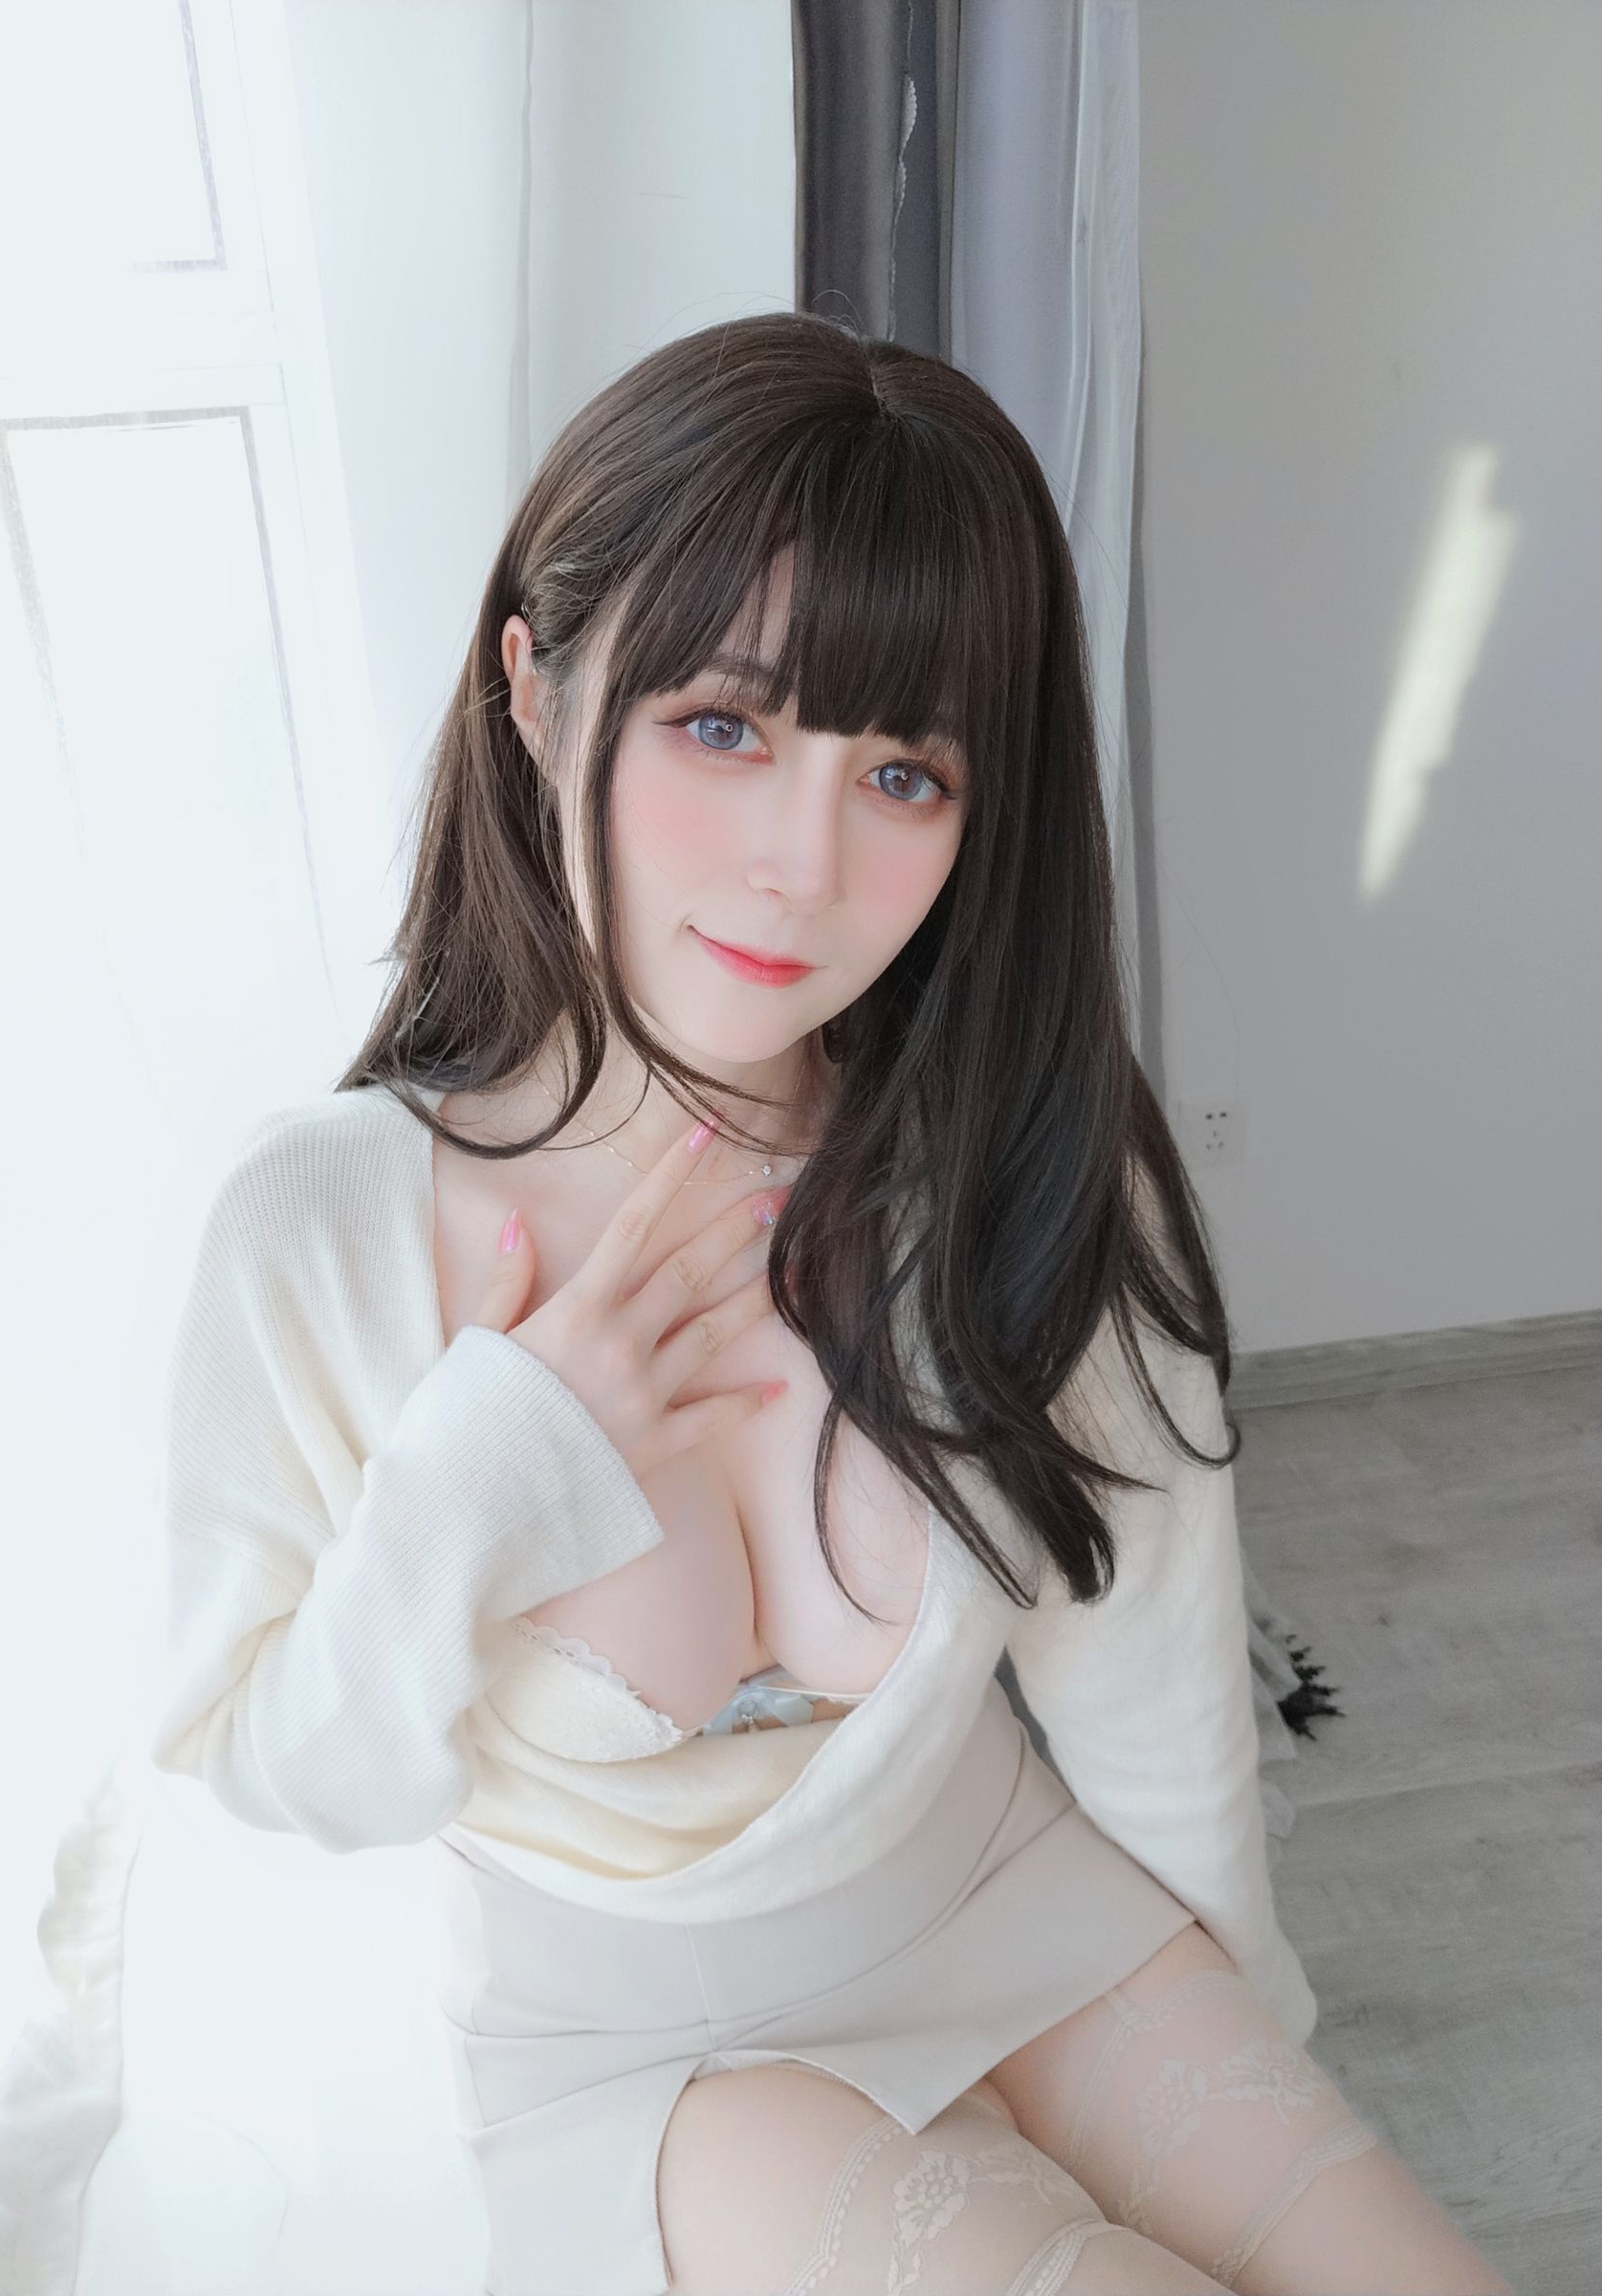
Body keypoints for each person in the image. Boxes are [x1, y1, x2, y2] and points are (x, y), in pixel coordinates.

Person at [150, 311, 1512, 2294]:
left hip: (1021, 1911)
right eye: (723, 727)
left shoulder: (1007, 1168)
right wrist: (487, 1471)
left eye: (902, 770)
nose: (804, 866)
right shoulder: (324, 1229)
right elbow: (279, 1768)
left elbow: (1145, 1683)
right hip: (650, 2059)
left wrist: (1255, 2061)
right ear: (534, 689)